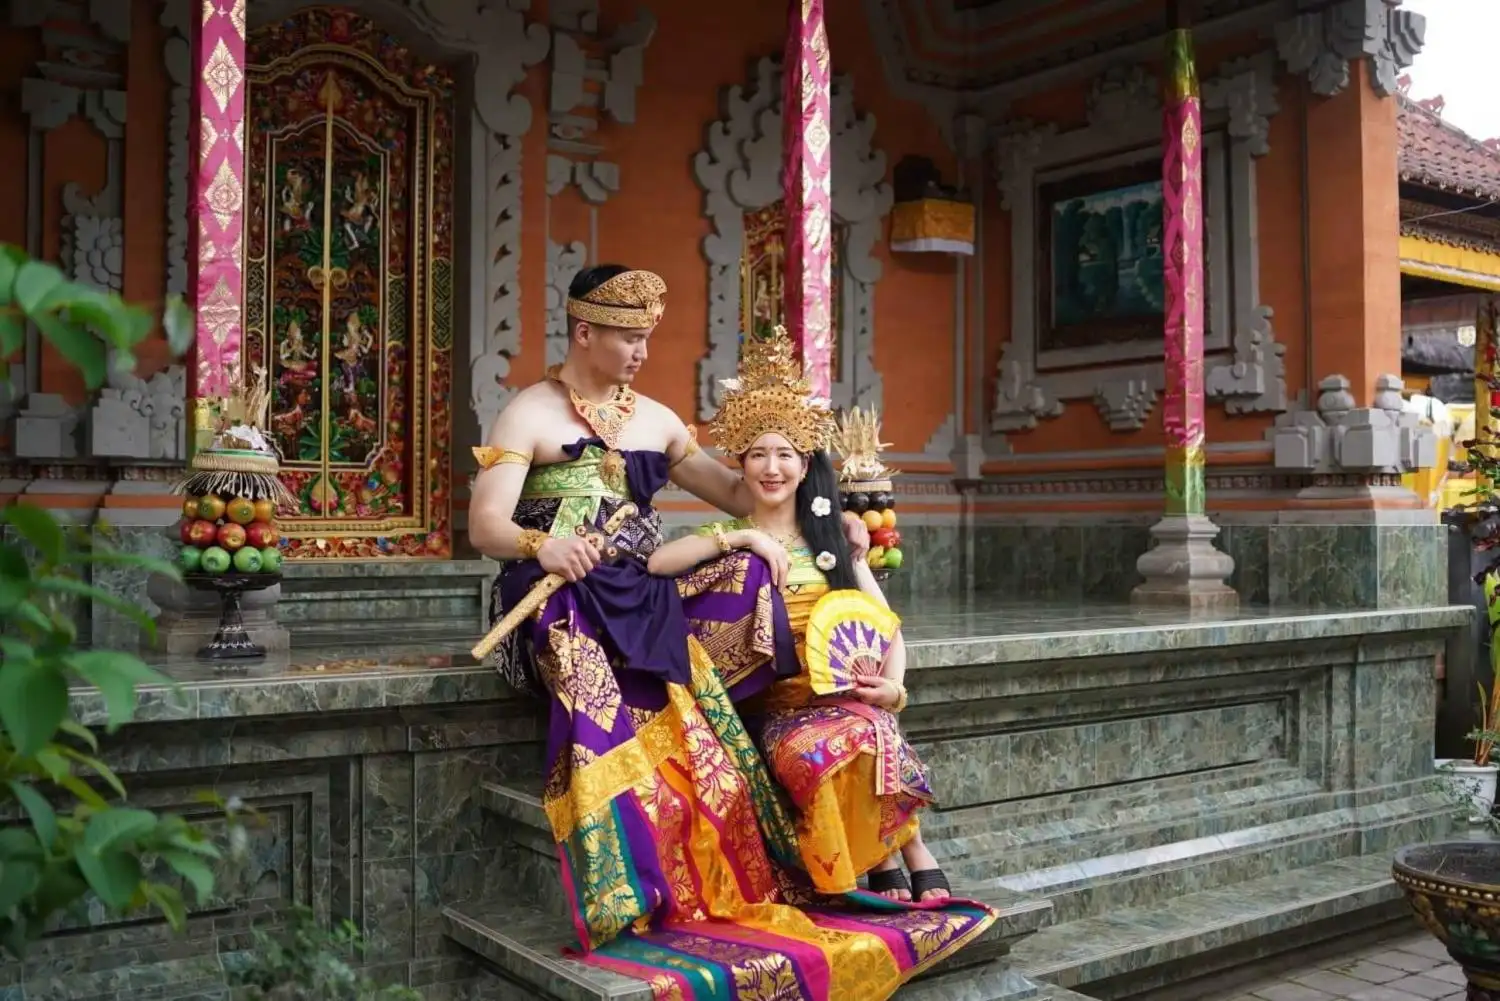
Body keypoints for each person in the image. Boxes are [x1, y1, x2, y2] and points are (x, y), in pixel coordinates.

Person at [466, 266, 992, 997]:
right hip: (553, 591)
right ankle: (634, 873)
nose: (643, 351)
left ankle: (751, 721)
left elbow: (750, 490)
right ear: (584, 332)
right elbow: (484, 523)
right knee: (587, 637)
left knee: (745, 562)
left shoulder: (658, 420)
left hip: (638, 584)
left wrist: (835, 508)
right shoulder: (529, 411)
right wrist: (542, 547)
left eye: (647, 336)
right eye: (628, 336)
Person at [647, 327, 952, 904]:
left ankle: (899, 854)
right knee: (829, 746)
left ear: (804, 462)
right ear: (740, 462)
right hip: (777, 712)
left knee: (867, 724)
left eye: (784, 454)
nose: (771, 467)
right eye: (757, 454)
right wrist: (741, 539)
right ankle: (900, 855)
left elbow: (882, 626)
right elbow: (661, 562)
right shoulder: (728, 539)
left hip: (843, 699)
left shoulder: (835, 545)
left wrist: (894, 686)